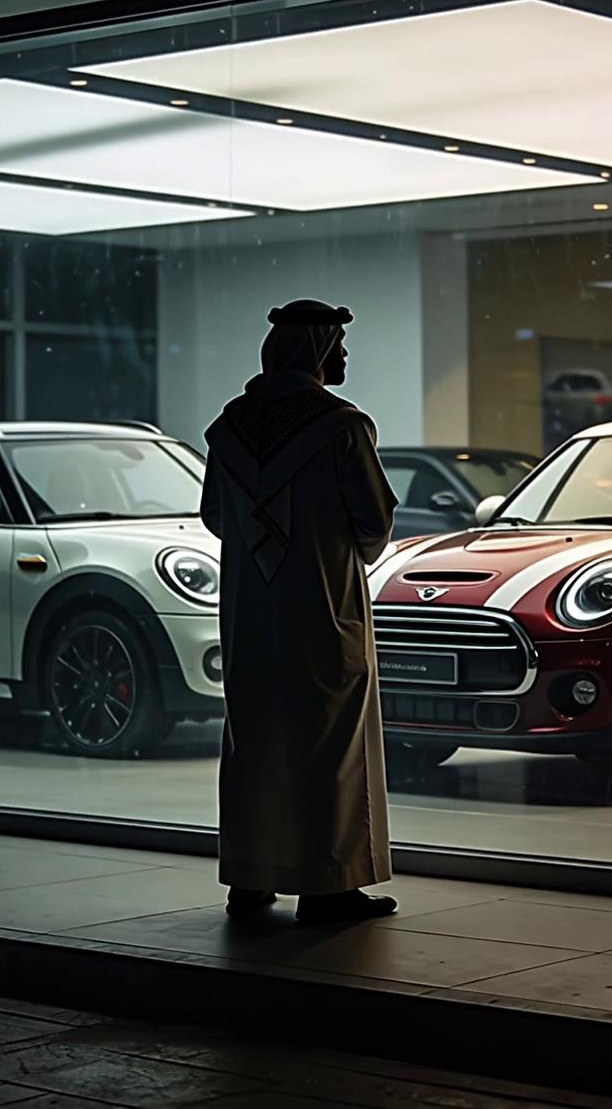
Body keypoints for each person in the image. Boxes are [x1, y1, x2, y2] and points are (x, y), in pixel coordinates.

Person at [200, 299, 399, 924]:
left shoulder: (228, 427)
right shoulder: (341, 427)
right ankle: (328, 884)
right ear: (314, 350)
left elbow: (214, 518)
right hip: (321, 605)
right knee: (328, 741)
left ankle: (253, 877)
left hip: (251, 612)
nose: (341, 356)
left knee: (256, 738)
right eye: (336, 345)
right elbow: (374, 522)